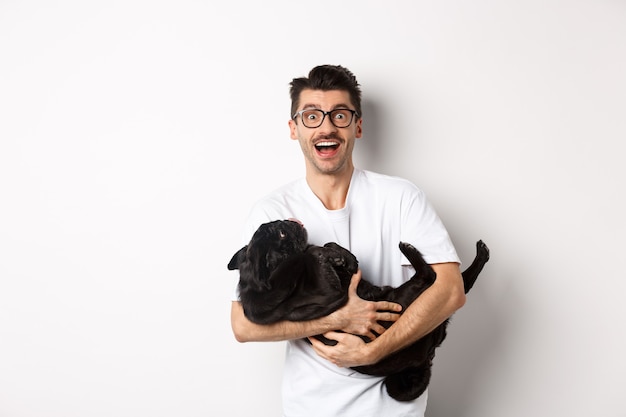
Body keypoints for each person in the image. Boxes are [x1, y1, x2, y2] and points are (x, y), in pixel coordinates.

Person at [230, 64, 465, 417]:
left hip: (396, 408)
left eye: (339, 115)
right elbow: (243, 325)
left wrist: (373, 351)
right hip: (309, 408)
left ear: (357, 125)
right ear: (294, 129)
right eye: (312, 116)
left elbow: (450, 291)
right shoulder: (273, 213)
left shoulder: (401, 197)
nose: (326, 127)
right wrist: (338, 318)